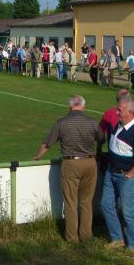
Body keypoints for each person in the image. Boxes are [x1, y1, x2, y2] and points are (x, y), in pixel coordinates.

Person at [34, 95, 104, 243]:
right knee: (86, 202)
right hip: (90, 162)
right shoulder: (91, 122)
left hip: (71, 164)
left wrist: (37, 157)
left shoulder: (62, 122)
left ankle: (72, 237)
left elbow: (47, 144)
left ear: (70, 106)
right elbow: (102, 139)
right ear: (83, 107)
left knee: (71, 202)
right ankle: (86, 235)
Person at [101, 99, 134, 250]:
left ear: (129, 112)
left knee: (128, 211)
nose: (116, 112)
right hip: (111, 172)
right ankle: (117, 238)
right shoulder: (118, 125)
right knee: (106, 205)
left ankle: (133, 244)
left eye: (119, 110)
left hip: (126, 176)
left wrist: (129, 174)